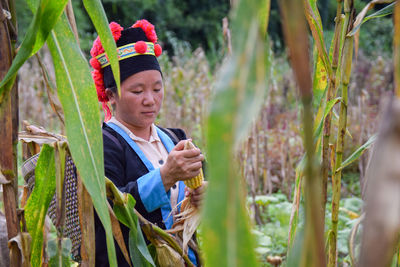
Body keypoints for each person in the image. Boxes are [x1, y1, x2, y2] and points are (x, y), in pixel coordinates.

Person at [89, 19, 206, 266]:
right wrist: (165, 176)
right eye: (137, 91)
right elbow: (108, 211)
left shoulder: (176, 138)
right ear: (111, 96)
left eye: (157, 88)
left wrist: (205, 197)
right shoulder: (100, 145)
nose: (150, 100)